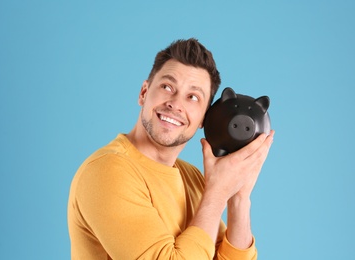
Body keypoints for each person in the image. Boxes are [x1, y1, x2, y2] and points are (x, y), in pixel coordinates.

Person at [67, 38, 274, 259]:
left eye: (193, 97)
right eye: (167, 87)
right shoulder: (106, 171)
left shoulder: (192, 178)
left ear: (204, 118)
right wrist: (216, 195)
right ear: (144, 92)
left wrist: (238, 197)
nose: (175, 104)